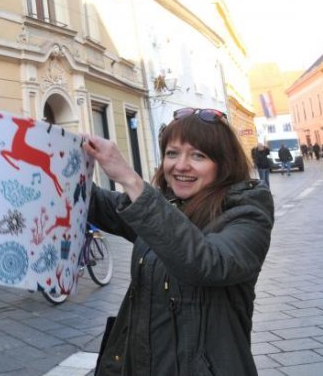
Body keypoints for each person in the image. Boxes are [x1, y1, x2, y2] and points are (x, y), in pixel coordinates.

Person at [83, 107, 274, 375]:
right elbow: (104, 206)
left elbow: (206, 262)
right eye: (172, 153)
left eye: (198, 155)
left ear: (223, 163)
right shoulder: (167, 206)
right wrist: (61, 169)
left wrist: (130, 180)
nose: (180, 165)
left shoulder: (248, 212)